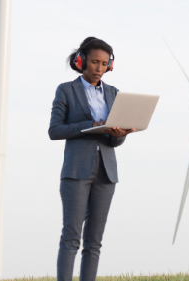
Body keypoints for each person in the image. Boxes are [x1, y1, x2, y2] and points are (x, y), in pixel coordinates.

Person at [48, 37, 134, 281]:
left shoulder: (114, 93)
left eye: (104, 63)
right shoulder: (66, 90)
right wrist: (90, 125)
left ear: (110, 65)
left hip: (106, 173)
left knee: (94, 242)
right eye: (95, 61)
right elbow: (55, 130)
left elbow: (114, 140)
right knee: (71, 237)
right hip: (77, 171)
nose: (99, 68)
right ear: (81, 61)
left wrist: (120, 135)